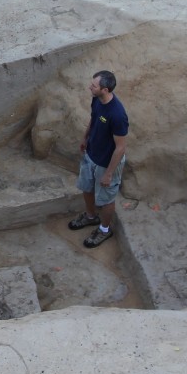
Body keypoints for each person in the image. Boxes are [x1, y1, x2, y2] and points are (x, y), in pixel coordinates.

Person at [67, 70, 128, 248]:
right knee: (86, 187)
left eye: (94, 86)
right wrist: (85, 138)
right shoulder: (97, 99)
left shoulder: (117, 115)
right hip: (91, 155)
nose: (90, 87)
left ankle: (104, 229)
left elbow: (121, 147)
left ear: (105, 89)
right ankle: (91, 216)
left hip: (106, 163)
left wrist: (109, 174)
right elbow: (93, 119)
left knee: (107, 199)